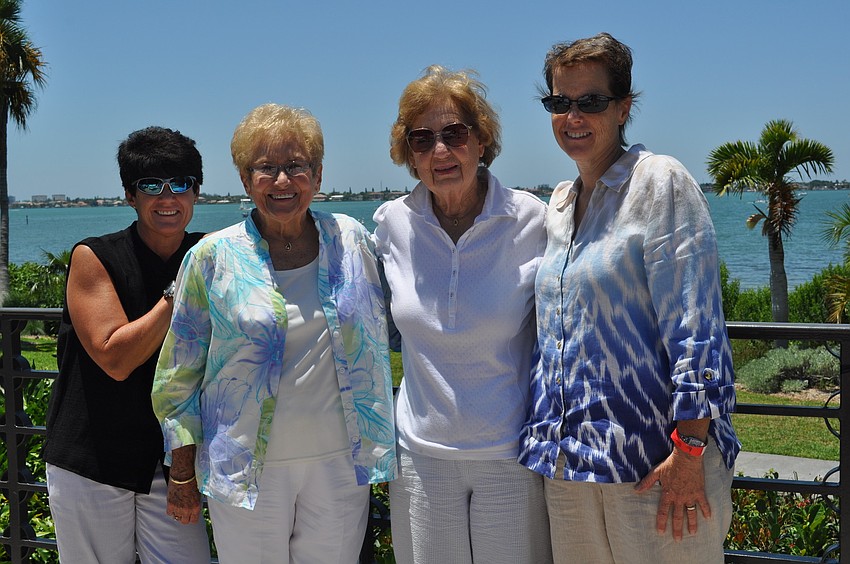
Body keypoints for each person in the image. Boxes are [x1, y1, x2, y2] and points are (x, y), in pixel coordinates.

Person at [518, 33, 740, 563]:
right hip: (570, 468)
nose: (573, 116)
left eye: (591, 101)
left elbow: (696, 324)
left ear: (623, 108)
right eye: (559, 102)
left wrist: (690, 450)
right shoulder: (560, 203)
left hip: (655, 466)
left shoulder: (659, 182)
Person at [152, 103, 396, 564]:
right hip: (244, 470)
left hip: (341, 465)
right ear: (246, 181)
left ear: (317, 176)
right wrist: (181, 474)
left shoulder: (351, 240)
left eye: (296, 166)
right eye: (266, 168)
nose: (282, 181)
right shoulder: (212, 257)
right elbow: (177, 378)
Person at [374, 65, 552, 564]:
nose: (440, 151)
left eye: (454, 134)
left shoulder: (532, 221)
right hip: (420, 457)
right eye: (422, 139)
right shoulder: (391, 224)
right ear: (409, 154)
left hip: (511, 455)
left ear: (481, 140)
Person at [43, 127, 211, 563]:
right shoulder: (94, 256)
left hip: (172, 463)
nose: (168, 198)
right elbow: (115, 358)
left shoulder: (209, 252)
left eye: (181, 184)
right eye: (151, 186)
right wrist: (180, 289)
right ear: (129, 195)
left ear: (196, 192)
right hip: (92, 458)